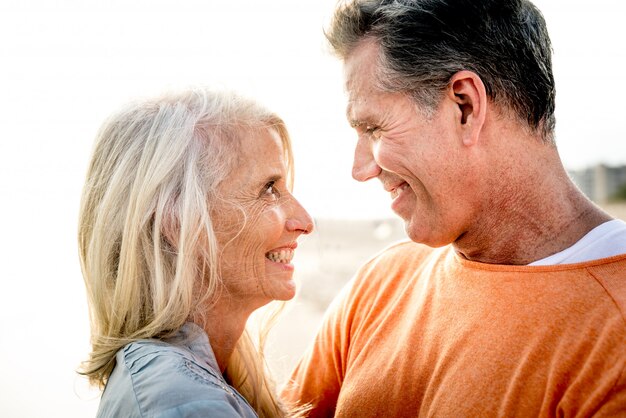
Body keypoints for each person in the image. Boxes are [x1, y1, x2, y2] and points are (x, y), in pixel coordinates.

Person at [283, 0, 626, 416]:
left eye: (373, 128)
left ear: (465, 106)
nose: (361, 169)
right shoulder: (381, 283)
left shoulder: (614, 334)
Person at [78, 87, 314, 417]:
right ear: (179, 222)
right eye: (269, 189)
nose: (304, 221)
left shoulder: (189, 382)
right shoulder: (181, 401)